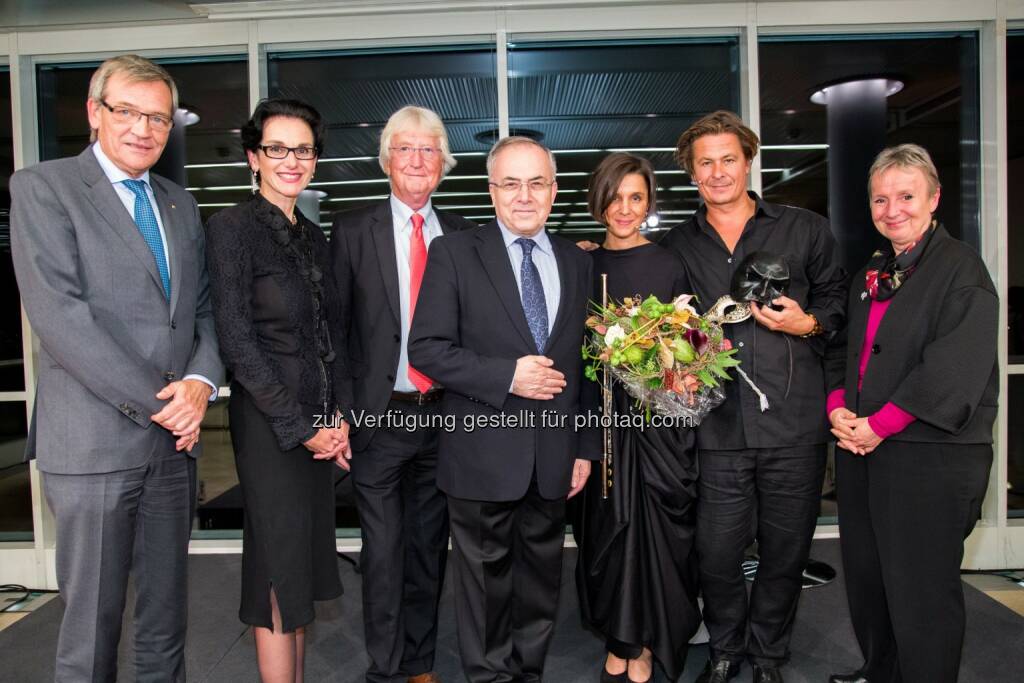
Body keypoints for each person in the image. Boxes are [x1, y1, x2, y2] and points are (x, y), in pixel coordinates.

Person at [9, 54, 224, 681]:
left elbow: (203, 313)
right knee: (91, 627)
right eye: (127, 111)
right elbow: (62, 319)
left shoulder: (180, 205)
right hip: (93, 445)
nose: (144, 129)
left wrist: (201, 383)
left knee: (165, 621)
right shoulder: (43, 188)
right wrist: (169, 404)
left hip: (171, 454)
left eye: (158, 117)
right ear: (93, 114)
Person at [659, 110, 846, 683]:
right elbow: (662, 329)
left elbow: (840, 307)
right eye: (705, 163)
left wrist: (806, 324)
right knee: (715, 554)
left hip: (794, 425)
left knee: (785, 554)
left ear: (748, 160)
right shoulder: (676, 246)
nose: (718, 173)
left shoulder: (804, 229)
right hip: (715, 429)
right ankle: (724, 648)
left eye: (728, 159)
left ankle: (767, 656)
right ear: (692, 173)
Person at [408, 136, 599, 682]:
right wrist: (506, 375)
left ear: (553, 190)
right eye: (510, 183)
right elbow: (427, 348)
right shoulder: (455, 253)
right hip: (481, 456)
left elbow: (588, 364)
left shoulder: (575, 261)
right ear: (491, 191)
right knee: (485, 590)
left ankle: (528, 674)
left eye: (536, 182)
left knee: (541, 583)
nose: (523, 195)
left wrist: (584, 448)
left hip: (555, 457)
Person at [825, 144, 997, 683]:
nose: (892, 208)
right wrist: (838, 412)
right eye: (881, 198)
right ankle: (882, 670)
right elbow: (842, 353)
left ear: (934, 198)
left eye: (905, 195)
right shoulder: (873, 273)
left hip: (930, 456)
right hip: (863, 451)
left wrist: (877, 425)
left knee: (921, 590)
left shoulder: (959, 267)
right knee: (870, 579)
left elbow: (952, 366)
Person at [330, 105, 476, 683]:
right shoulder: (350, 231)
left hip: (446, 420)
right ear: (387, 159)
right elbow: (334, 335)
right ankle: (385, 671)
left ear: (443, 164)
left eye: (429, 149)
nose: (418, 160)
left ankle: (418, 663)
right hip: (379, 419)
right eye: (406, 148)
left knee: (427, 551)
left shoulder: (465, 236)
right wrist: (337, 416)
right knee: (384, 553)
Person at [205, 98, 349, 683]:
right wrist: (303, 426)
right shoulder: (231, 229)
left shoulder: (315, 237)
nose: (292, 160)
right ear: (253, 157)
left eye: (304, 149)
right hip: (271, 427)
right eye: (277, 148)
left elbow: (328, 338)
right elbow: (238, 344)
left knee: (303, 568)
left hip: (317, 425)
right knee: (275, 564)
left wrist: (337, 421)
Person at [573, 152, 701, 683]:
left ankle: (644, 641)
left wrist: (656, 361)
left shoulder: (670, 264)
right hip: (595, 420)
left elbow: (693, 347)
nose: (624, 209)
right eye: (615, 197)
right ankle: (618, 636)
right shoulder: (578, 263)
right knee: (605, 531)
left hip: (654, 424)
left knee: (654, 533)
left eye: (636, 198)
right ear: (597, 201)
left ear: (649, 204)